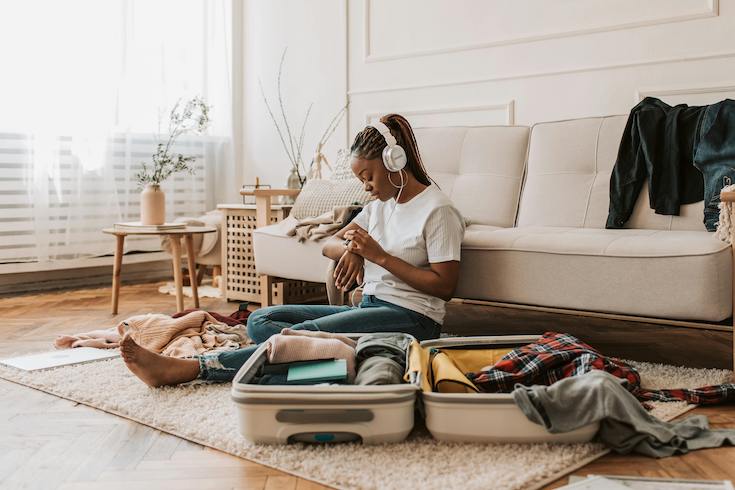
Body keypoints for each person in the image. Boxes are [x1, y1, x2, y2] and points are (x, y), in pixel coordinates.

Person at [120, 113, 466, 387]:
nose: (366, 186)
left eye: (369, 176)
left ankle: (193, 369)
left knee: (303, 337)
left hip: (411, 319)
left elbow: (444, 287)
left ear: (394, 162)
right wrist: (354, 252)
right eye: (360, 178)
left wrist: (379, 256)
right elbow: (331, 244)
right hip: (373, 305)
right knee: (261, 319)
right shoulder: (380, 207)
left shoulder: (438, 211)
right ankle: (327, 368)